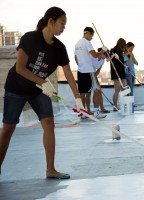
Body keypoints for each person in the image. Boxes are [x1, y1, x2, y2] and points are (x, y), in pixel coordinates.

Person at [0, 7, 84, 179]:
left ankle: (50, 169)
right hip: (16, 87)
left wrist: (78, 98)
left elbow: (68, 73)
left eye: (65, 25)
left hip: (38, 90)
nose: (63, 27)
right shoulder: (30, 38)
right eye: (62, 23)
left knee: (48, 123)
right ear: (51, 21)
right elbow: (20, 68)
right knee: (8, 128)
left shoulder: (59, 48)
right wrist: (43, 81)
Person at [74, 27, 108, 118]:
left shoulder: (77, 43)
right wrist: (103, 50)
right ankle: (96, 112)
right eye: (91, 36)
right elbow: (95, 54)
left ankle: (82, 114)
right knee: (97, 90)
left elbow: (75, 57)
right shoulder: (87, 42)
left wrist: (81, 65)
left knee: (82, 92)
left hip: (80, 71)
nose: (91, 38)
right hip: (89, 71)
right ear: (88, 33)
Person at [91, 48, 111, 115]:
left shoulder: (102, 60)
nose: (106, 58)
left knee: (99, 91)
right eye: (105, 55)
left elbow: (98, 70)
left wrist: (94, 77)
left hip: (93, 74)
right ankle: (95, 110)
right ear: (102, 53)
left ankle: (102, 108)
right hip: (88, 73)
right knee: (96, 91)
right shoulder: (94, 56)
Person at [110, 38, 127, 111]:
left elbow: (122, 63)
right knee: (117, 90)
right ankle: (115, 106)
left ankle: (123, 104)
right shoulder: (113, 50)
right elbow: (109, 59)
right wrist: (113, 55)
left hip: (122, 73)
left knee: (124, 89)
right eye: (123, 45)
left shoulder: (121, 52)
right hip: (116, 73)